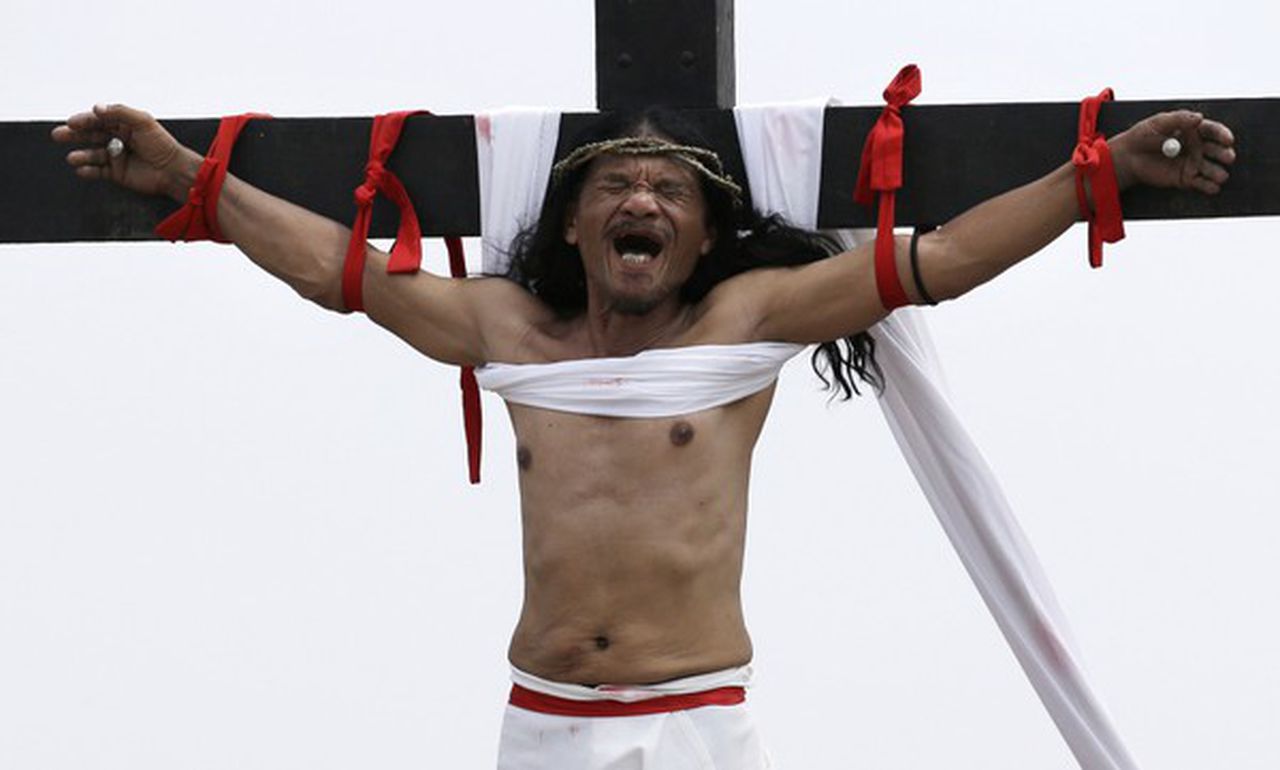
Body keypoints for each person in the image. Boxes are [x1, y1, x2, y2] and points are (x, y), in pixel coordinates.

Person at [53, 103, 1235, 768]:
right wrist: (193, 176)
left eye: (670, 193)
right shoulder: (508, 329)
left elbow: (940, 260)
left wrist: (1092, 177)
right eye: (616, 186)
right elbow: (338, 270)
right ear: (572, 225)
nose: (642, 202)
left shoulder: (745, 318)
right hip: (544, 716)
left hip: (694, 719)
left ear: (703, 234)